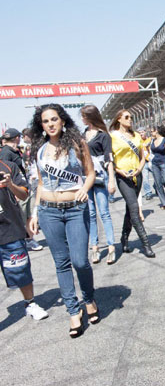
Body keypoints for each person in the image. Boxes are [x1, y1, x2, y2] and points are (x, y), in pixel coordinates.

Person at [28, 103, 98, 338]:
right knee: (61, 263)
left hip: (76, 209)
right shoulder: (39, 149)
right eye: (46, 121)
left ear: (63, 121)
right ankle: (73, 311)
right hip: (49, 211)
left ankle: (89, 298)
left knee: (80, 261)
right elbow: (40, 183)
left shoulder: (78, 144)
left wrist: (85, 188)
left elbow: (90, 173)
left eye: (54, 119)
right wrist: (36, 212)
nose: (50, 124)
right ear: (42, 125)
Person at [0, 157, 49, 321]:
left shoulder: (8, 166)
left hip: (9, 228)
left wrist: (10, 185)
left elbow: (24, 194)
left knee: (21, 271)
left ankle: (30, 303)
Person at [110, 110, 155, 258]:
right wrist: (119, 171)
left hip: (137, 175)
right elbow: (109, 160)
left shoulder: (136, 136)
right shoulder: (112, 136)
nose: (130, 120)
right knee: (135, 208)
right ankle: (146, 244)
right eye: (127, 117)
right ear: (119, 119)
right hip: (123, 177)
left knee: (130, 210)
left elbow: (143, 156)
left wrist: (140, 169)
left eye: (131, 117)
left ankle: (124, 238)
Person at [80, 105, 117, 265]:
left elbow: (109, 159)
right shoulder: (83, 135)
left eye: (83, 116)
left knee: (104, 213)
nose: (81, 119)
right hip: (86, 178)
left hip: (101, 177)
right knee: (91, 214)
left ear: (90, 117)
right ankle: (94, 247)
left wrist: (111, 179)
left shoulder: (103, 136)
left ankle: (111, 247)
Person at [1, 128, 43, 252]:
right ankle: (28, 239)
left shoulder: (14, 151)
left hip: (21, 186)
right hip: (13, 189)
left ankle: (28, 238)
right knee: (23, 215)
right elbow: (6, 173)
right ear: (17, 138)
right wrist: (13, 188)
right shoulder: (6, 153)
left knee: (27, 214)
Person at [139, 129, 154, 200]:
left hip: (151, 161)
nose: (141, 134)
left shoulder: (150, 139)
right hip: (143, 162)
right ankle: (148, 192)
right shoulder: (138, 141)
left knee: (157, 177)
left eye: (142, 132)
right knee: (145, 179)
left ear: (145, 132)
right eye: (139, 133)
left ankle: (156, 187)